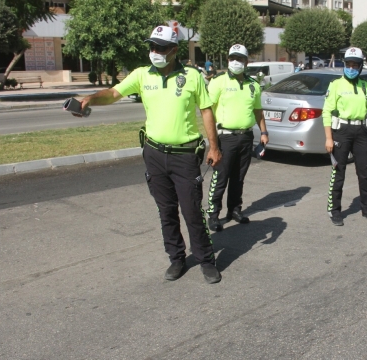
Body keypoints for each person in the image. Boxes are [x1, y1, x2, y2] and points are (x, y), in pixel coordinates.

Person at [76, 26, 224, 284]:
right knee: (166, 210)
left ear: (174, 50)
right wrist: (90, 98)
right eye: (152, 46)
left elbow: (206, 111)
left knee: (191, 212)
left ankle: (206, 260)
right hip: (154, 154)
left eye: (161, 47)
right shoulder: (142, 75)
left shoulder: (191, 76)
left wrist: (214, 146)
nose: (154, 52)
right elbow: (112, 94)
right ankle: (176, 259)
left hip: (185, 155)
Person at [206, 44, 269, 232]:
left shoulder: (253, 85)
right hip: (225, 137)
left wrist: (264, 132)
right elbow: (207, 111)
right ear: (227, 60)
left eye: (240, 59)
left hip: (246, 137)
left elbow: (258, 111)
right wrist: (212, 143)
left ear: (246, 62)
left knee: (238, 177)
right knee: (220, 177)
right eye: (232, 58)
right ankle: (213, 214)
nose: (236, 62)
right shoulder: (218, 82)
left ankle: (234, 209)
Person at [322, 47, 367, 226]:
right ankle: (335, 211)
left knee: (364, 173)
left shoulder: (365, 86)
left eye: (355, 65)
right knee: (338, 172)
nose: (352, 68)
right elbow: (326, 111)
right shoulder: (336, 85)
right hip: (342, 131)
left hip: (361, 132)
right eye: (349, 64)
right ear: (344, 64)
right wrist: (329, 138)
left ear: (361, 66)